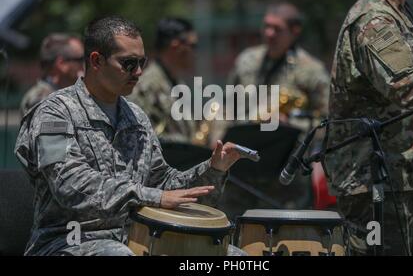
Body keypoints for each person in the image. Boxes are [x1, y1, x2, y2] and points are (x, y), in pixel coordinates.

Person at [15, 16, 244, 256]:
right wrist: (154, 197)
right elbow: (70, 186)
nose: (139, 72)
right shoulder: (54, 113)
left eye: (142, 62)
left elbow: (163, 184)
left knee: (235, 257)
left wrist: (214, 169)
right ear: (96, 61)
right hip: (68, 242)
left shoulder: (136, 116)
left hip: (138, 238)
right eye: (128, 63)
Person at [326, 0, 413, 256]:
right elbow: (404, 85)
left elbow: (391, 95)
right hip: (374, 184)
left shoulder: (398, 13)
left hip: (397, 177)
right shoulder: (374, 17)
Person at [220, 2, 330, 215]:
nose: (269, 34)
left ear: (295, 31)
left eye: (277, 29)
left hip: (285, 178)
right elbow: (226, 108)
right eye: (266, 26)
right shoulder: (246, 61)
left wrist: (289, 125)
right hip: (241, 173)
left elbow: (327, 122)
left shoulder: (312, 70)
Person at [128, 18, 199, 144]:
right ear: (176, 45)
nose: (195, 53)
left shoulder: (177, 82)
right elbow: (143, 137)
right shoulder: (146, 85)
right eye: (192, 46)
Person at [20, 33, 84, 115]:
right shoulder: (41, 99)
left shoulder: (74, 93)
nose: (85, 65)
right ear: (61, 64)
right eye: (80, 59)